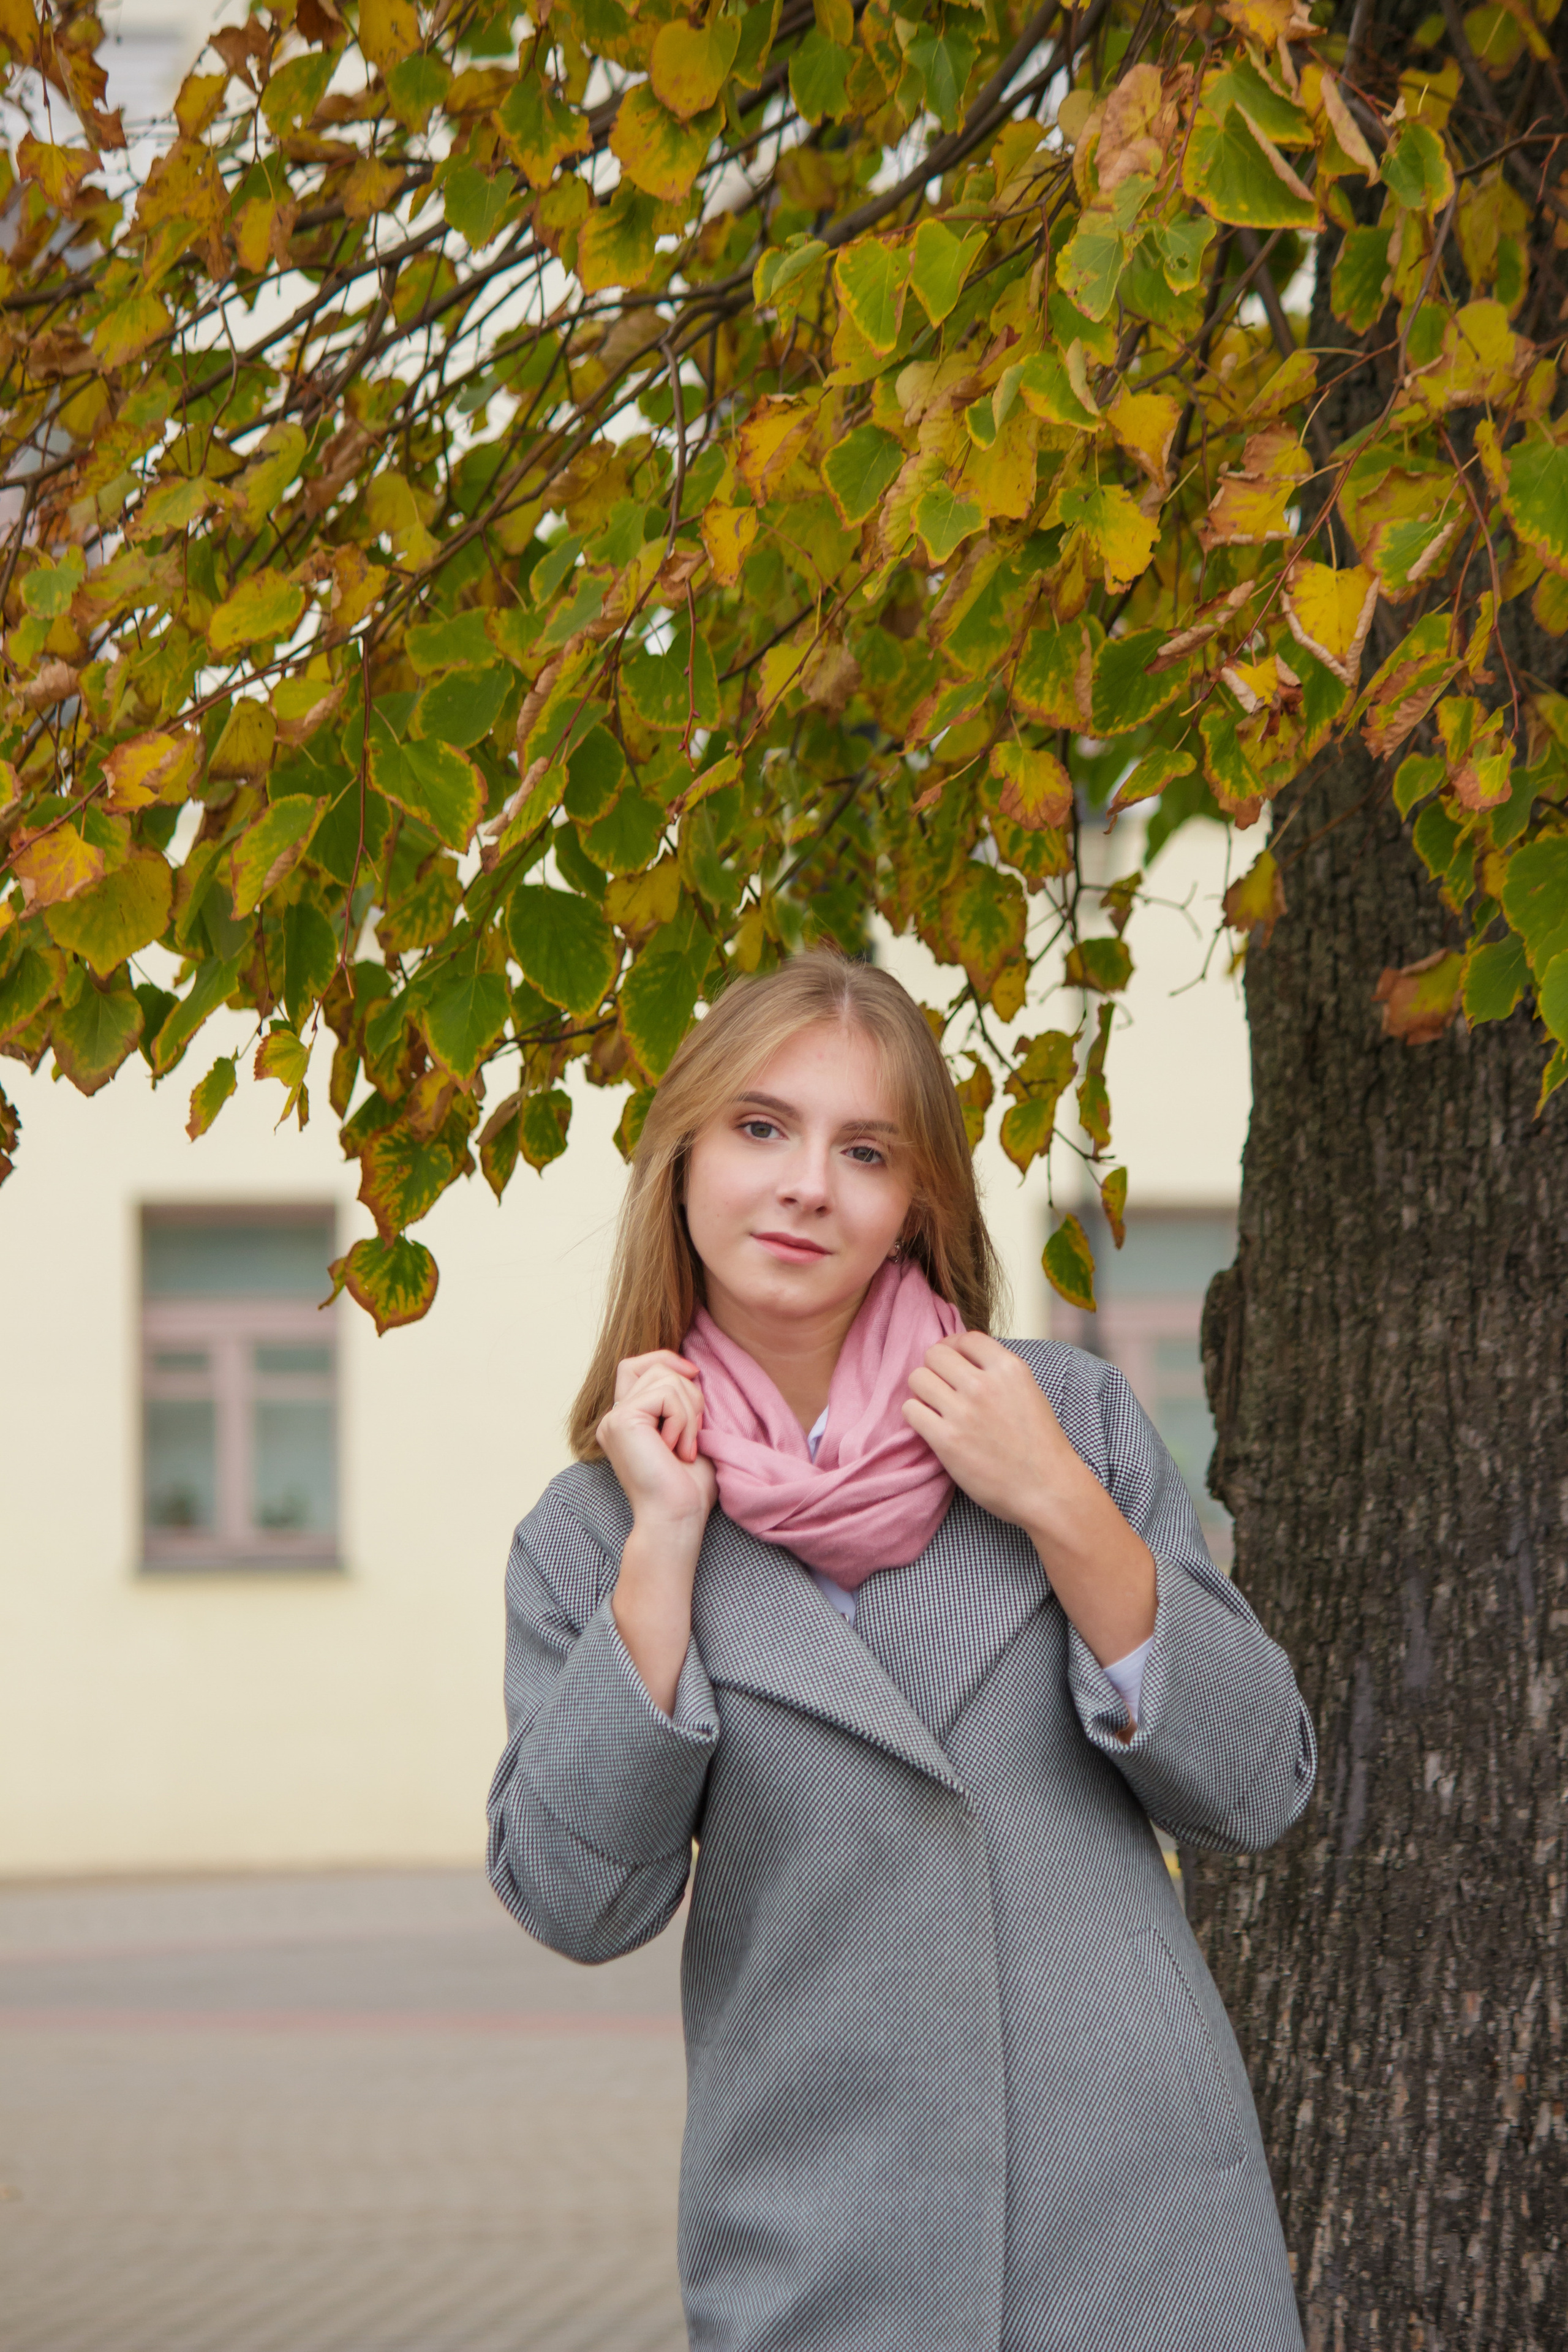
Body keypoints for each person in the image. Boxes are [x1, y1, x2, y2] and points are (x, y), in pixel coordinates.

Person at [487, 949, 1316, 2352]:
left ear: (911, 1205)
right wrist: (663, 1553)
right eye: (761, 1129)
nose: (806, 1184)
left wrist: (1051, 1496)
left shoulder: (1064, 1416)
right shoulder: (595, 1529)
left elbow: (1256, 1786)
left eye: (862, 1150)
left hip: (1135, 2228)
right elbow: (575, 1904)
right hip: (823, 2242)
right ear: (682, 1163)